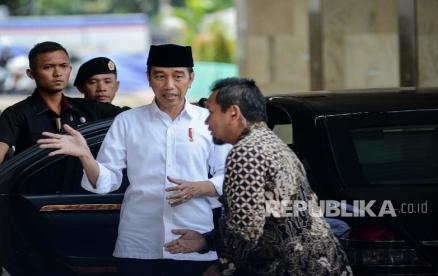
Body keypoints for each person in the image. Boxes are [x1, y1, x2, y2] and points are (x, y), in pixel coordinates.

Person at [37, 44, 231, 276]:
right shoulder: (127, 122)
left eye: (178, 76)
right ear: (149, 78)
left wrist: (203, 187)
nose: (169, 85)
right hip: (138, 246)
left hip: (194, 241)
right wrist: (86, 156)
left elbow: (229, 177)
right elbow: (107, 181)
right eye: (160, 76)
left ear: (191, 78)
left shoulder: (208, 121)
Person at [164, 77, 353, 276]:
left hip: (292, 267)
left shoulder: (246, 152)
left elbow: (245, 232)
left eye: (211, 112)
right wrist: (205, 241)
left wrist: (221, 269)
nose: (206, 121)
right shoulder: (269, 142)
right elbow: (258, 216)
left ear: (234, 113)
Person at [0, 41, 123, 164]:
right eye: (48, 67)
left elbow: (136, 116)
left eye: (63, 66)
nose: (58, 73)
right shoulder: (15, 115)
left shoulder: (90, 108)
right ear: (31, 74)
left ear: (69, 69)